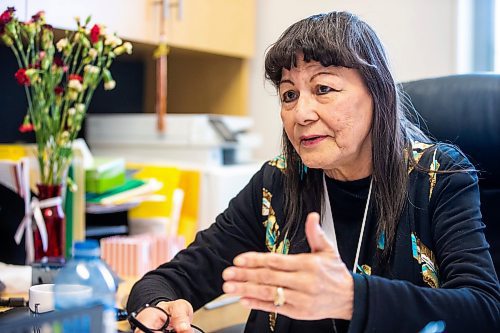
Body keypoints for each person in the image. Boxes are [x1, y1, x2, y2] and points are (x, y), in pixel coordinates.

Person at [126, 11, 500, 333]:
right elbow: (168, 280)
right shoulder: (277, 184)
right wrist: (158, 307)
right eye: (289, 95)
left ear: (378, 95)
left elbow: (484, 310)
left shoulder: (437, 176)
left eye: (323, 88)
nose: (301, 113)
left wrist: (352, 298)